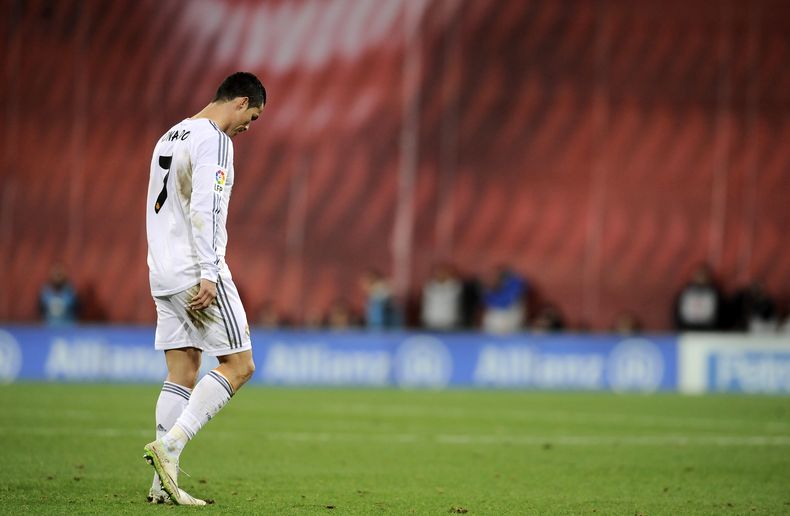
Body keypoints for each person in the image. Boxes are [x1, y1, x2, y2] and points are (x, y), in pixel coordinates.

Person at [142, 72, 266, 505]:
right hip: (196, 270)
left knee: (183, 370)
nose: (248, 127)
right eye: (251, 116)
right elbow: (206, 207)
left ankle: (162, 486)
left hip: (162, 270)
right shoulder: (215, 138)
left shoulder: (169, 135)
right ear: (240, 101)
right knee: (241, 365)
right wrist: (210, 272)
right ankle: (170, 447)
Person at [673, 263, 723, 332]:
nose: (701, 278)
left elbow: (720, 313)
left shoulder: (715, 294)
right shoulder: (685, 292)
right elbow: (677, 312)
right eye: (699, 275)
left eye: (704, 275)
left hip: (708, 331)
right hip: (687, 330)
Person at [421, 263, 462, 331]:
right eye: (439, 273)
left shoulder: (455, 286)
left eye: (444, 273)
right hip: (431, 320)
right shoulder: (430, 285)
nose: (441, 275)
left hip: (448, 322)